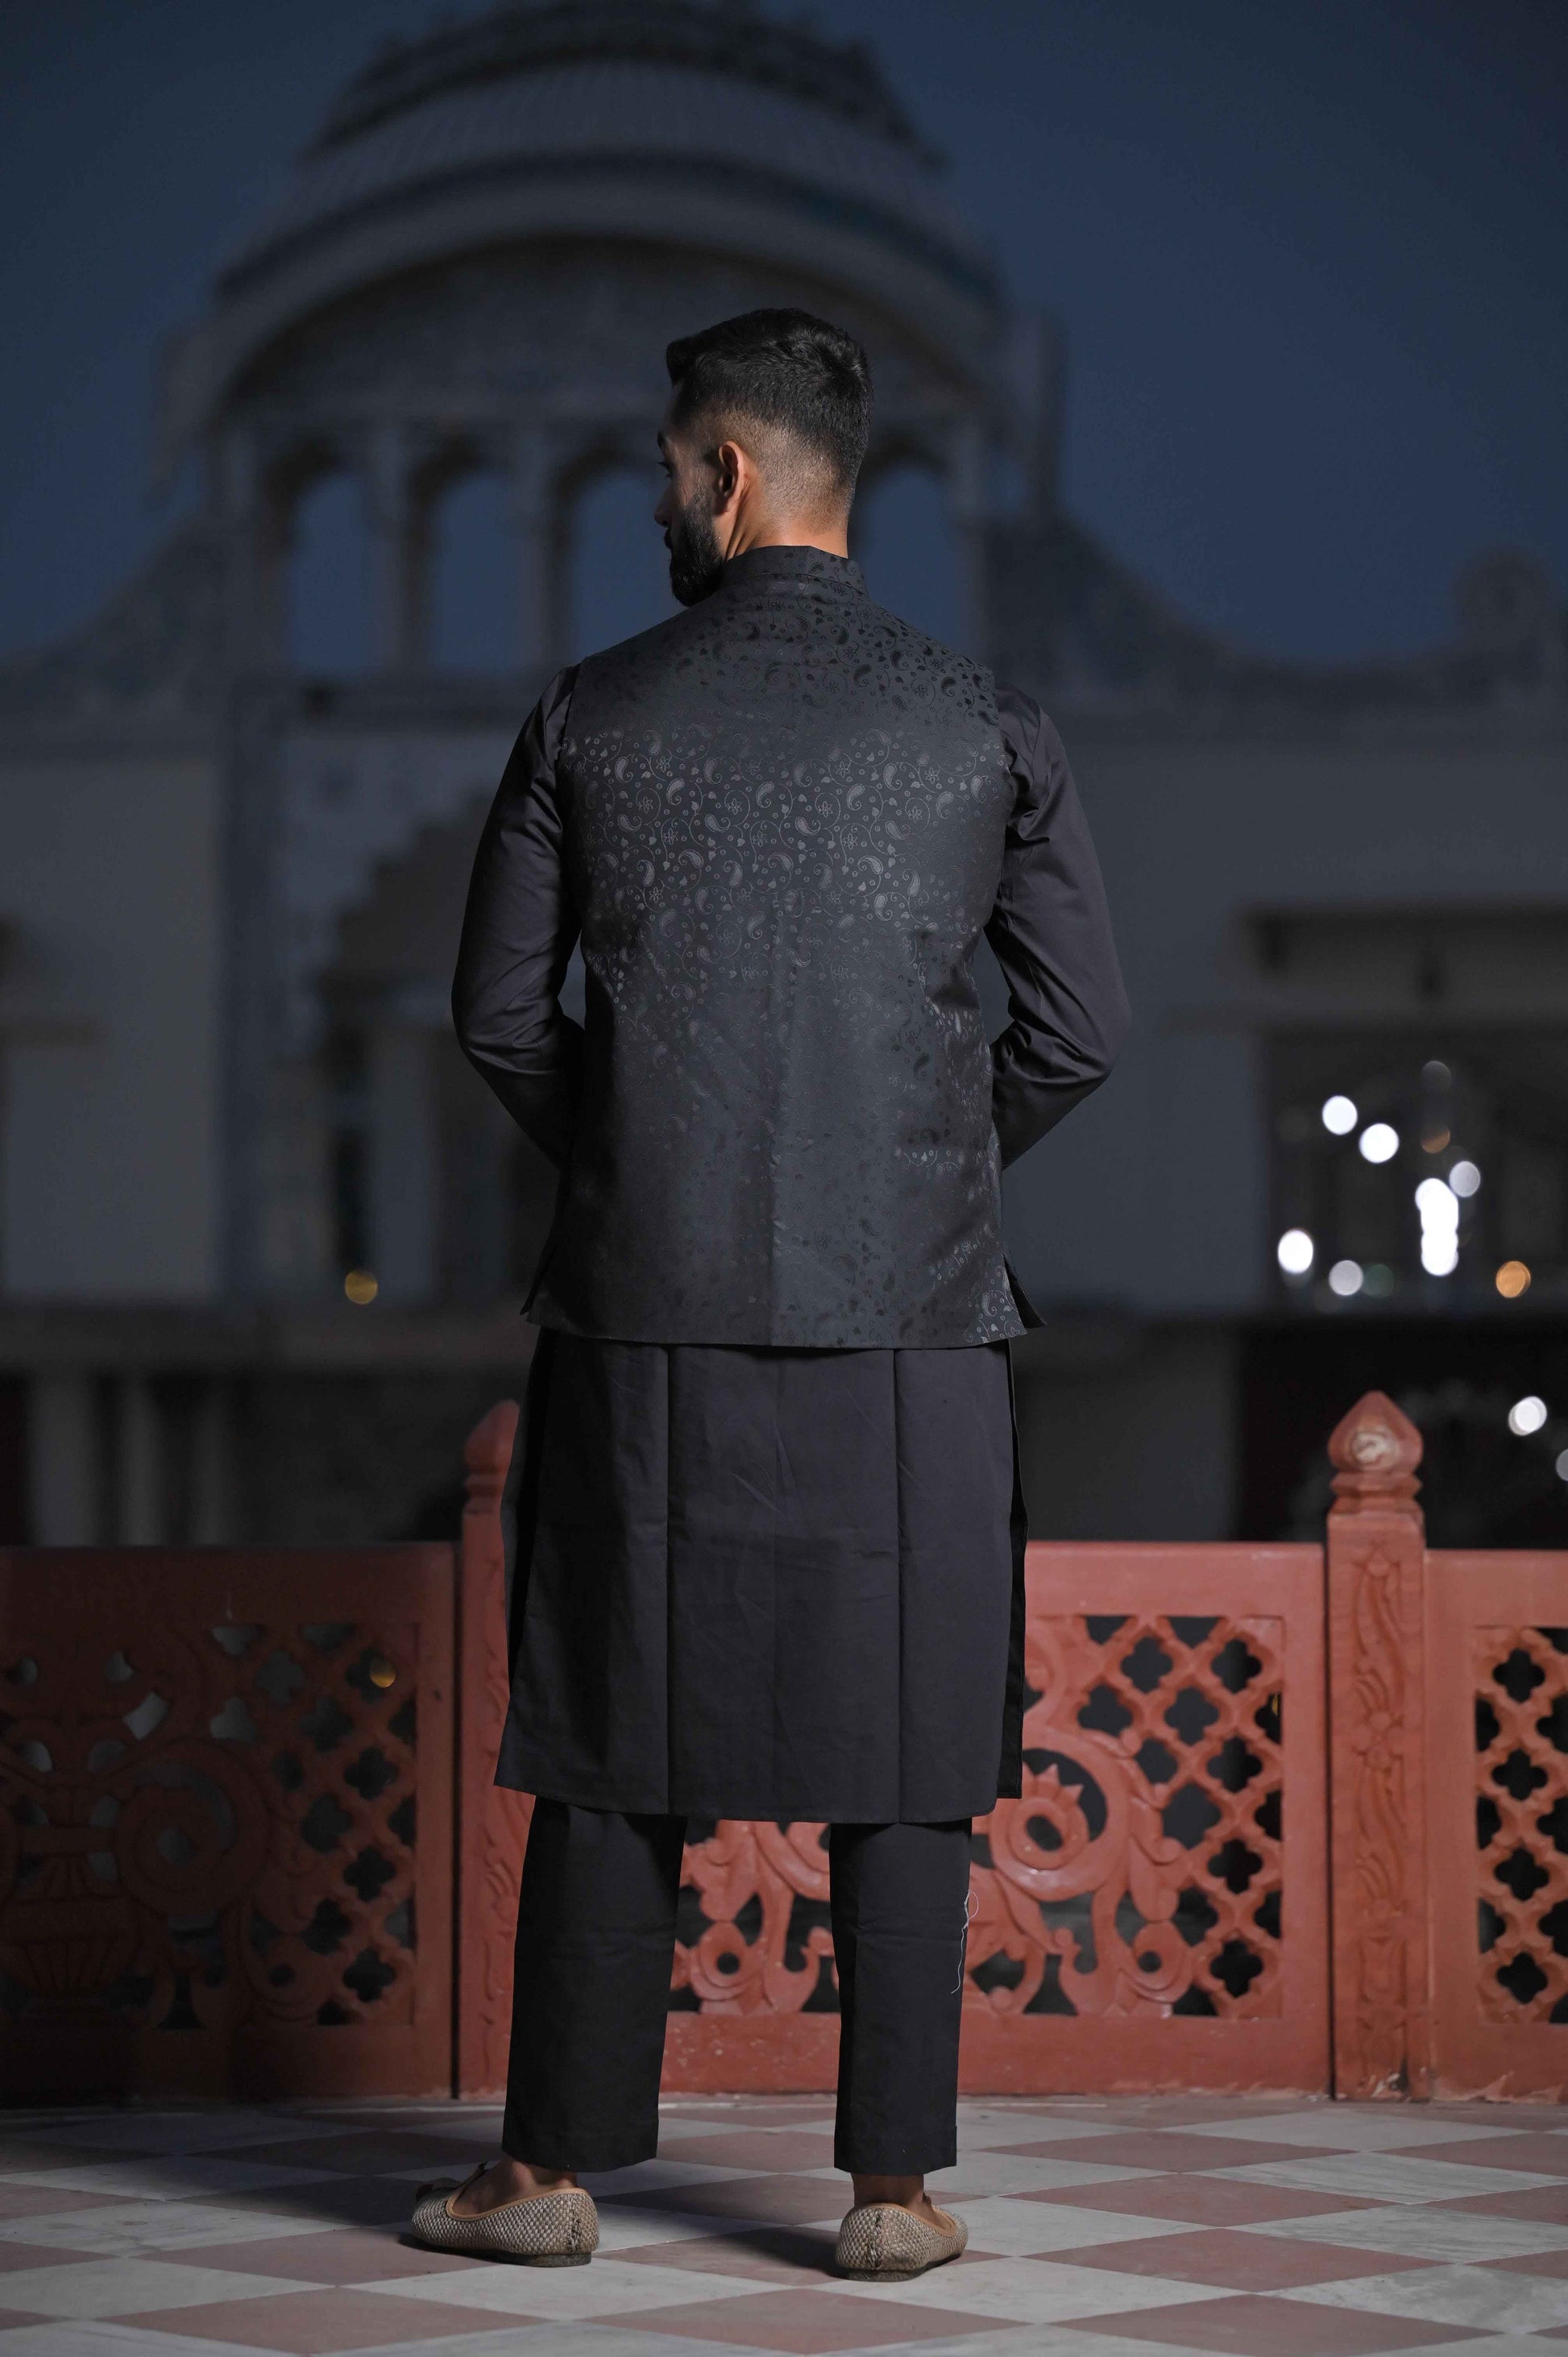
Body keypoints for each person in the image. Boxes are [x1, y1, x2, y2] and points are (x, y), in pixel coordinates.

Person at [413, 309, 1128, 2280]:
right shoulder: (983, 719)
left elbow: (496, 1014)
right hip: (916, 1322)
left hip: (640, 1315)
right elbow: (1081, 1027)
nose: (659, 500)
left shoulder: (587, 713)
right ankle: (892, 2189)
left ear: (723, 476)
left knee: (610, 1734)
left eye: (666, 471)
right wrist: (910, 1164)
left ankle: (546, 2173)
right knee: (908, 1744)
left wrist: (649, 1156)